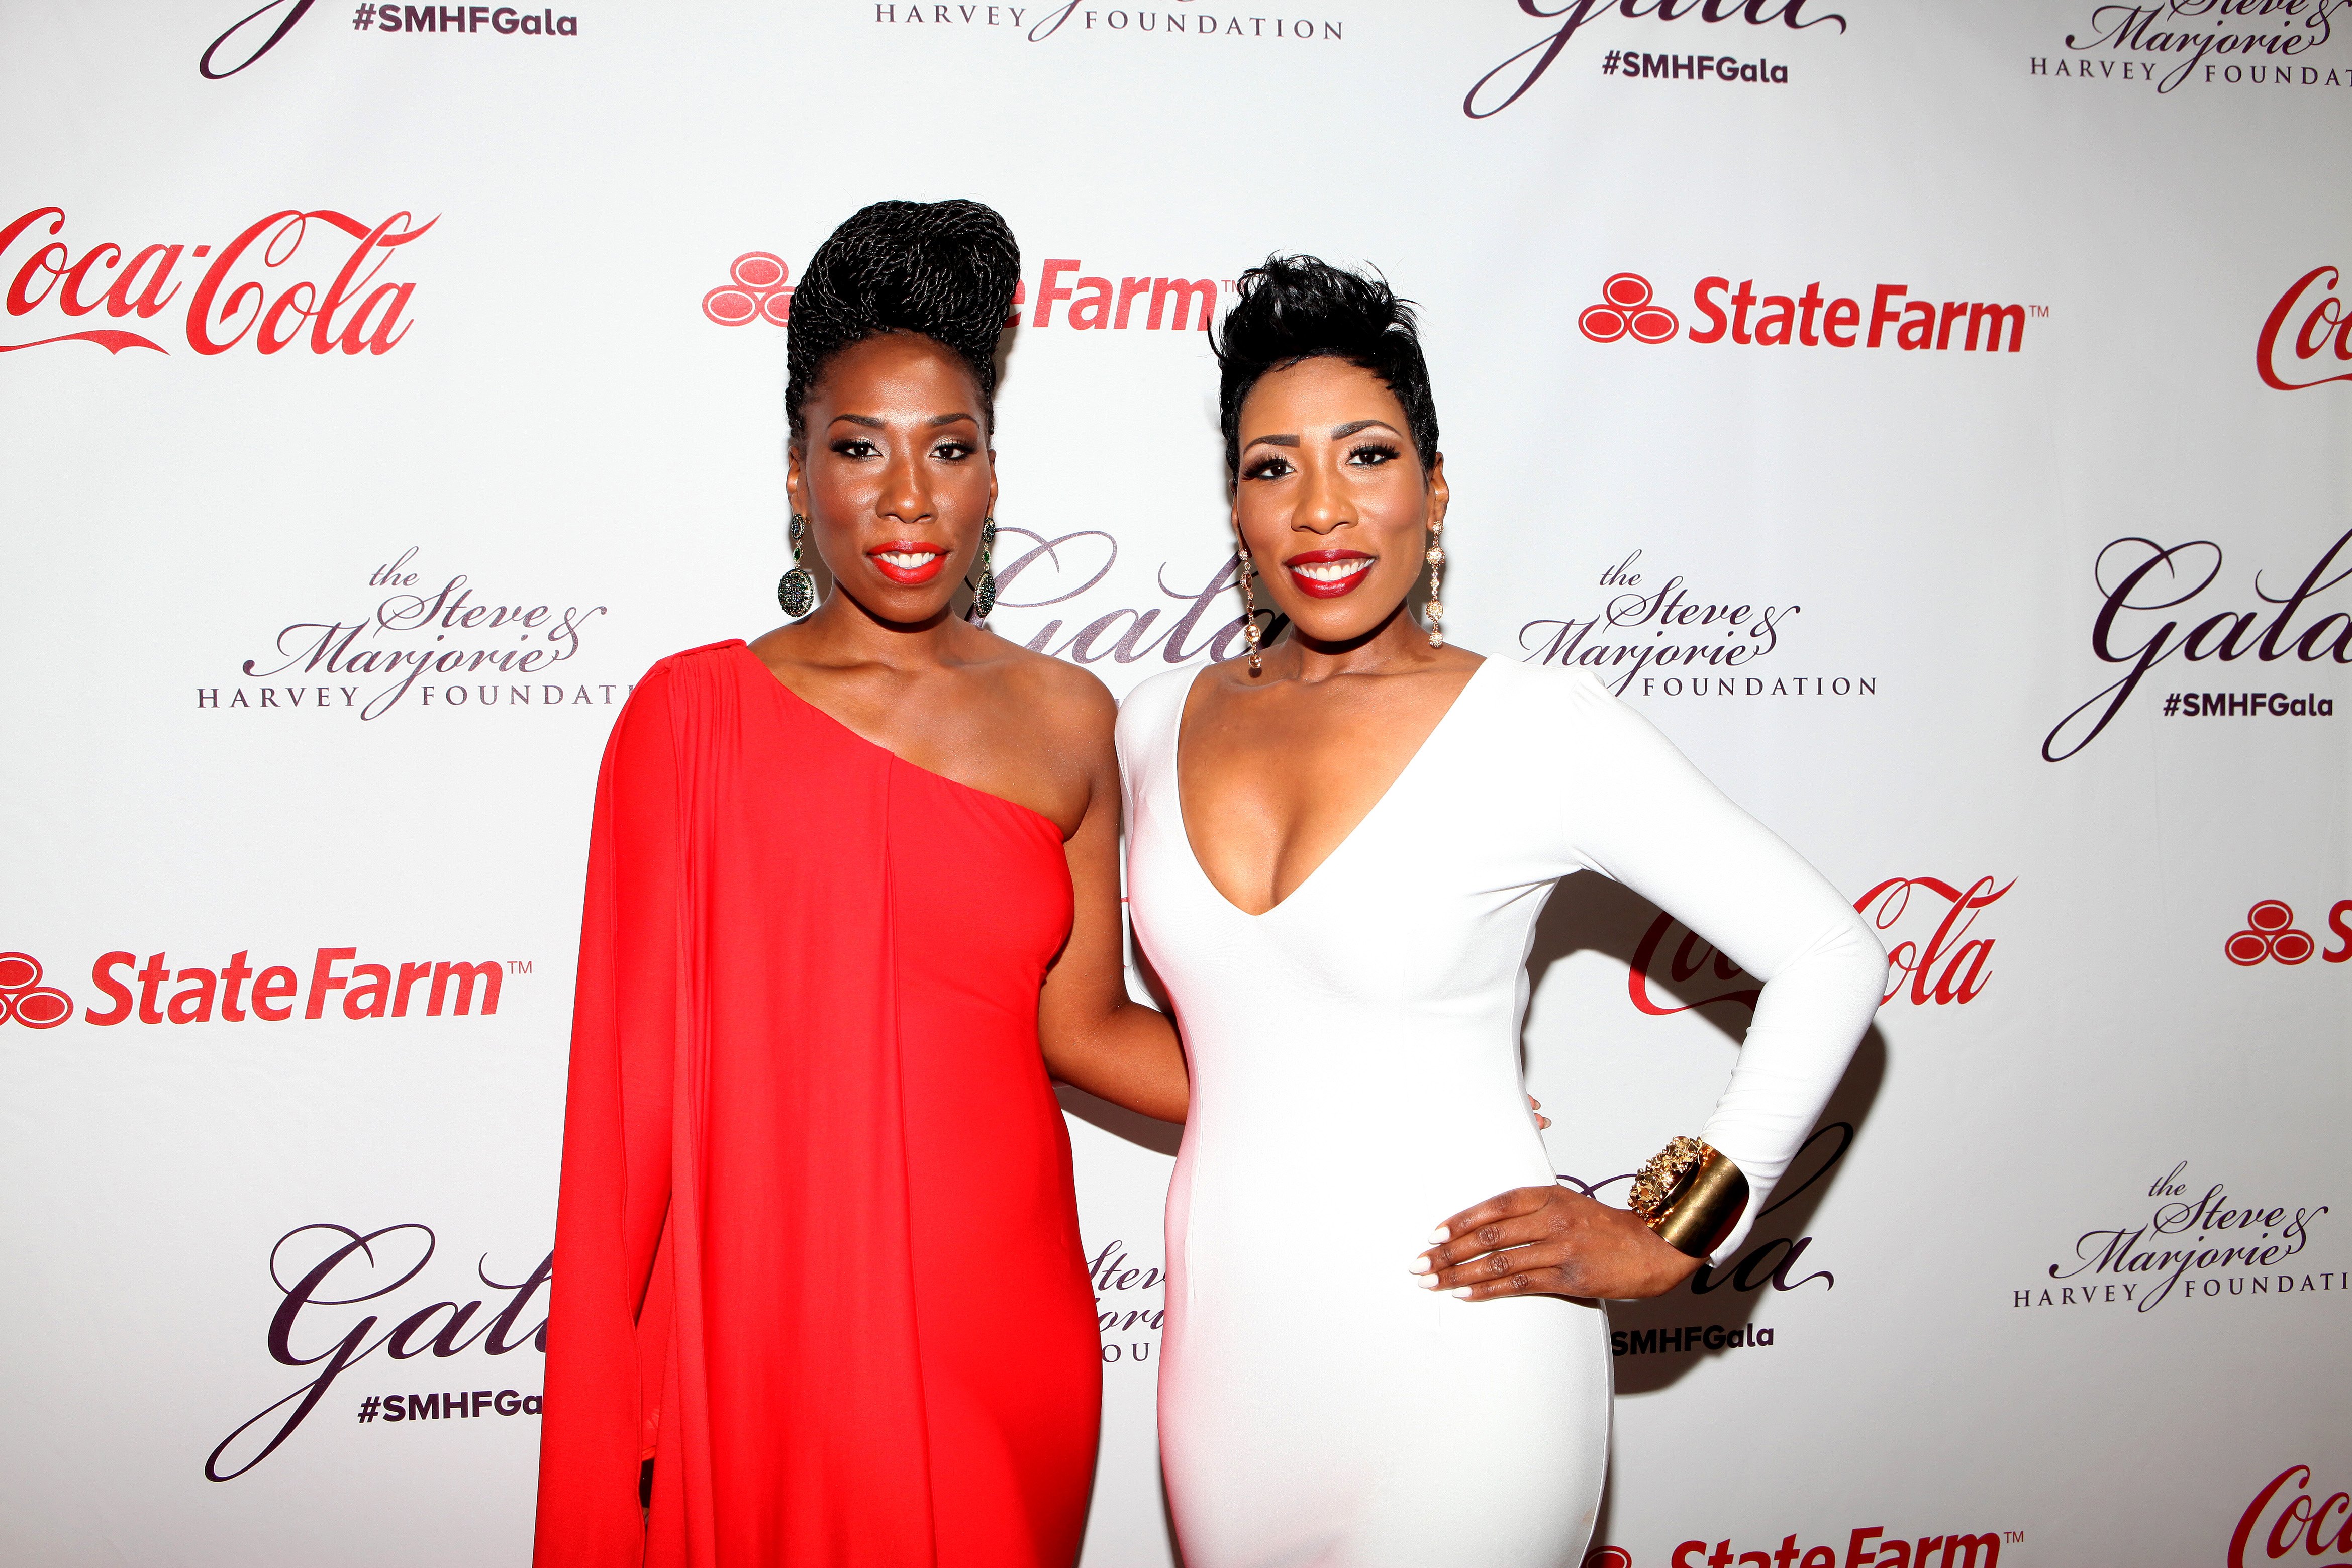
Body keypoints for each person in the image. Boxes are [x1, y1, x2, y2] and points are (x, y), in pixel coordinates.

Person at [1116, 256, 1888, 1568]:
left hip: (1472, 1360)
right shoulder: (1148, 728)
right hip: (1230, 1372)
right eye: (1271, 467)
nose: (1320, 510)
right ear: (1235, 507)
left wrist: (1674, 1232)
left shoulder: (1537, 728)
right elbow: (1229, 1048)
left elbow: (1829, 955)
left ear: (1434, 491)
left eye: (1365, 456)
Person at [533, 199, 1188, 1568]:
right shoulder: (688, 720)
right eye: (858, 450)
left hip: (1002, 1331)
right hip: (774, 1330)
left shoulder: (1074, 718)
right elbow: (626, 1116)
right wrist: (631, 1402)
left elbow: (1089, 1032)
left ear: (993, 476)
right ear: (795, 475)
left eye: (948, 450)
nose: (906, 498)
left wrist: (1375, 1070)